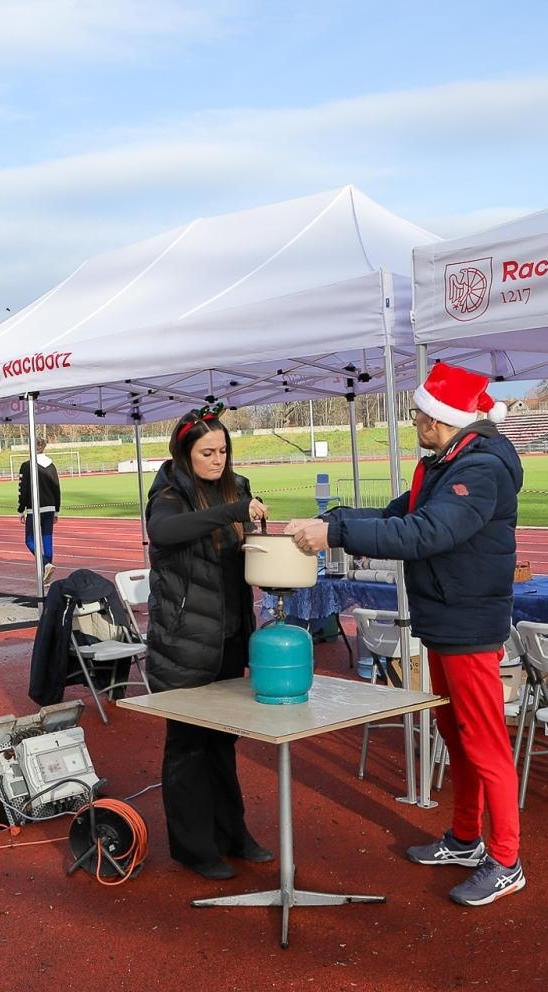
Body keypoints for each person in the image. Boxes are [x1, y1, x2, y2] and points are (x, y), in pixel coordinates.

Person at [288, 363, 526, 907]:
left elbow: (426, 532)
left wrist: (334, 532)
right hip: (447, 619)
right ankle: (466, 838)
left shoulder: (479, 468)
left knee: (483, 741)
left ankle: (506, 859)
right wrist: (332, 522)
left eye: (419, 414)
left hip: (467, 624)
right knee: (457, 736)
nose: (415, 421)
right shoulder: (445, 464)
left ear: (439, 420)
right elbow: (397, 514)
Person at [146, 402, 272, 881]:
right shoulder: (170, 491)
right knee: (188, 746)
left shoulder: (237, 486)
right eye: (207, 453)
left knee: (223, 741)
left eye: (223, 451)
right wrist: (229, 512)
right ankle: (194, 848)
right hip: (183, 643)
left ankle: (232, 833)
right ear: (185, 454)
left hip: (231, 637)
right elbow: (162, 531)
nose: (218, 460)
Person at [17, 440, 62, 585]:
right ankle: (46, 577)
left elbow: (22, 489)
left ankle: (45, 564)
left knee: (29, 540)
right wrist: (56, 510)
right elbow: (57, 488)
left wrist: (20, 510)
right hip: (50, 508)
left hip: (34, 508)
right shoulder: (51, 465)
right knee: (47, 539)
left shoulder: (27, 465)